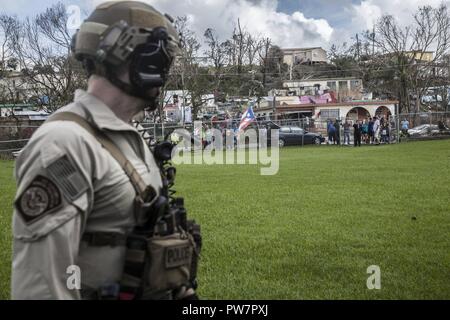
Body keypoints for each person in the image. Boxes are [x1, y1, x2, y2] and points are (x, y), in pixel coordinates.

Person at [11, 1, 200, 300]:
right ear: (135, 57)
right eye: (160, 57)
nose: (164, 70)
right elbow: (42, 288)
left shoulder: (128, 135)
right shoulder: (65, 143)